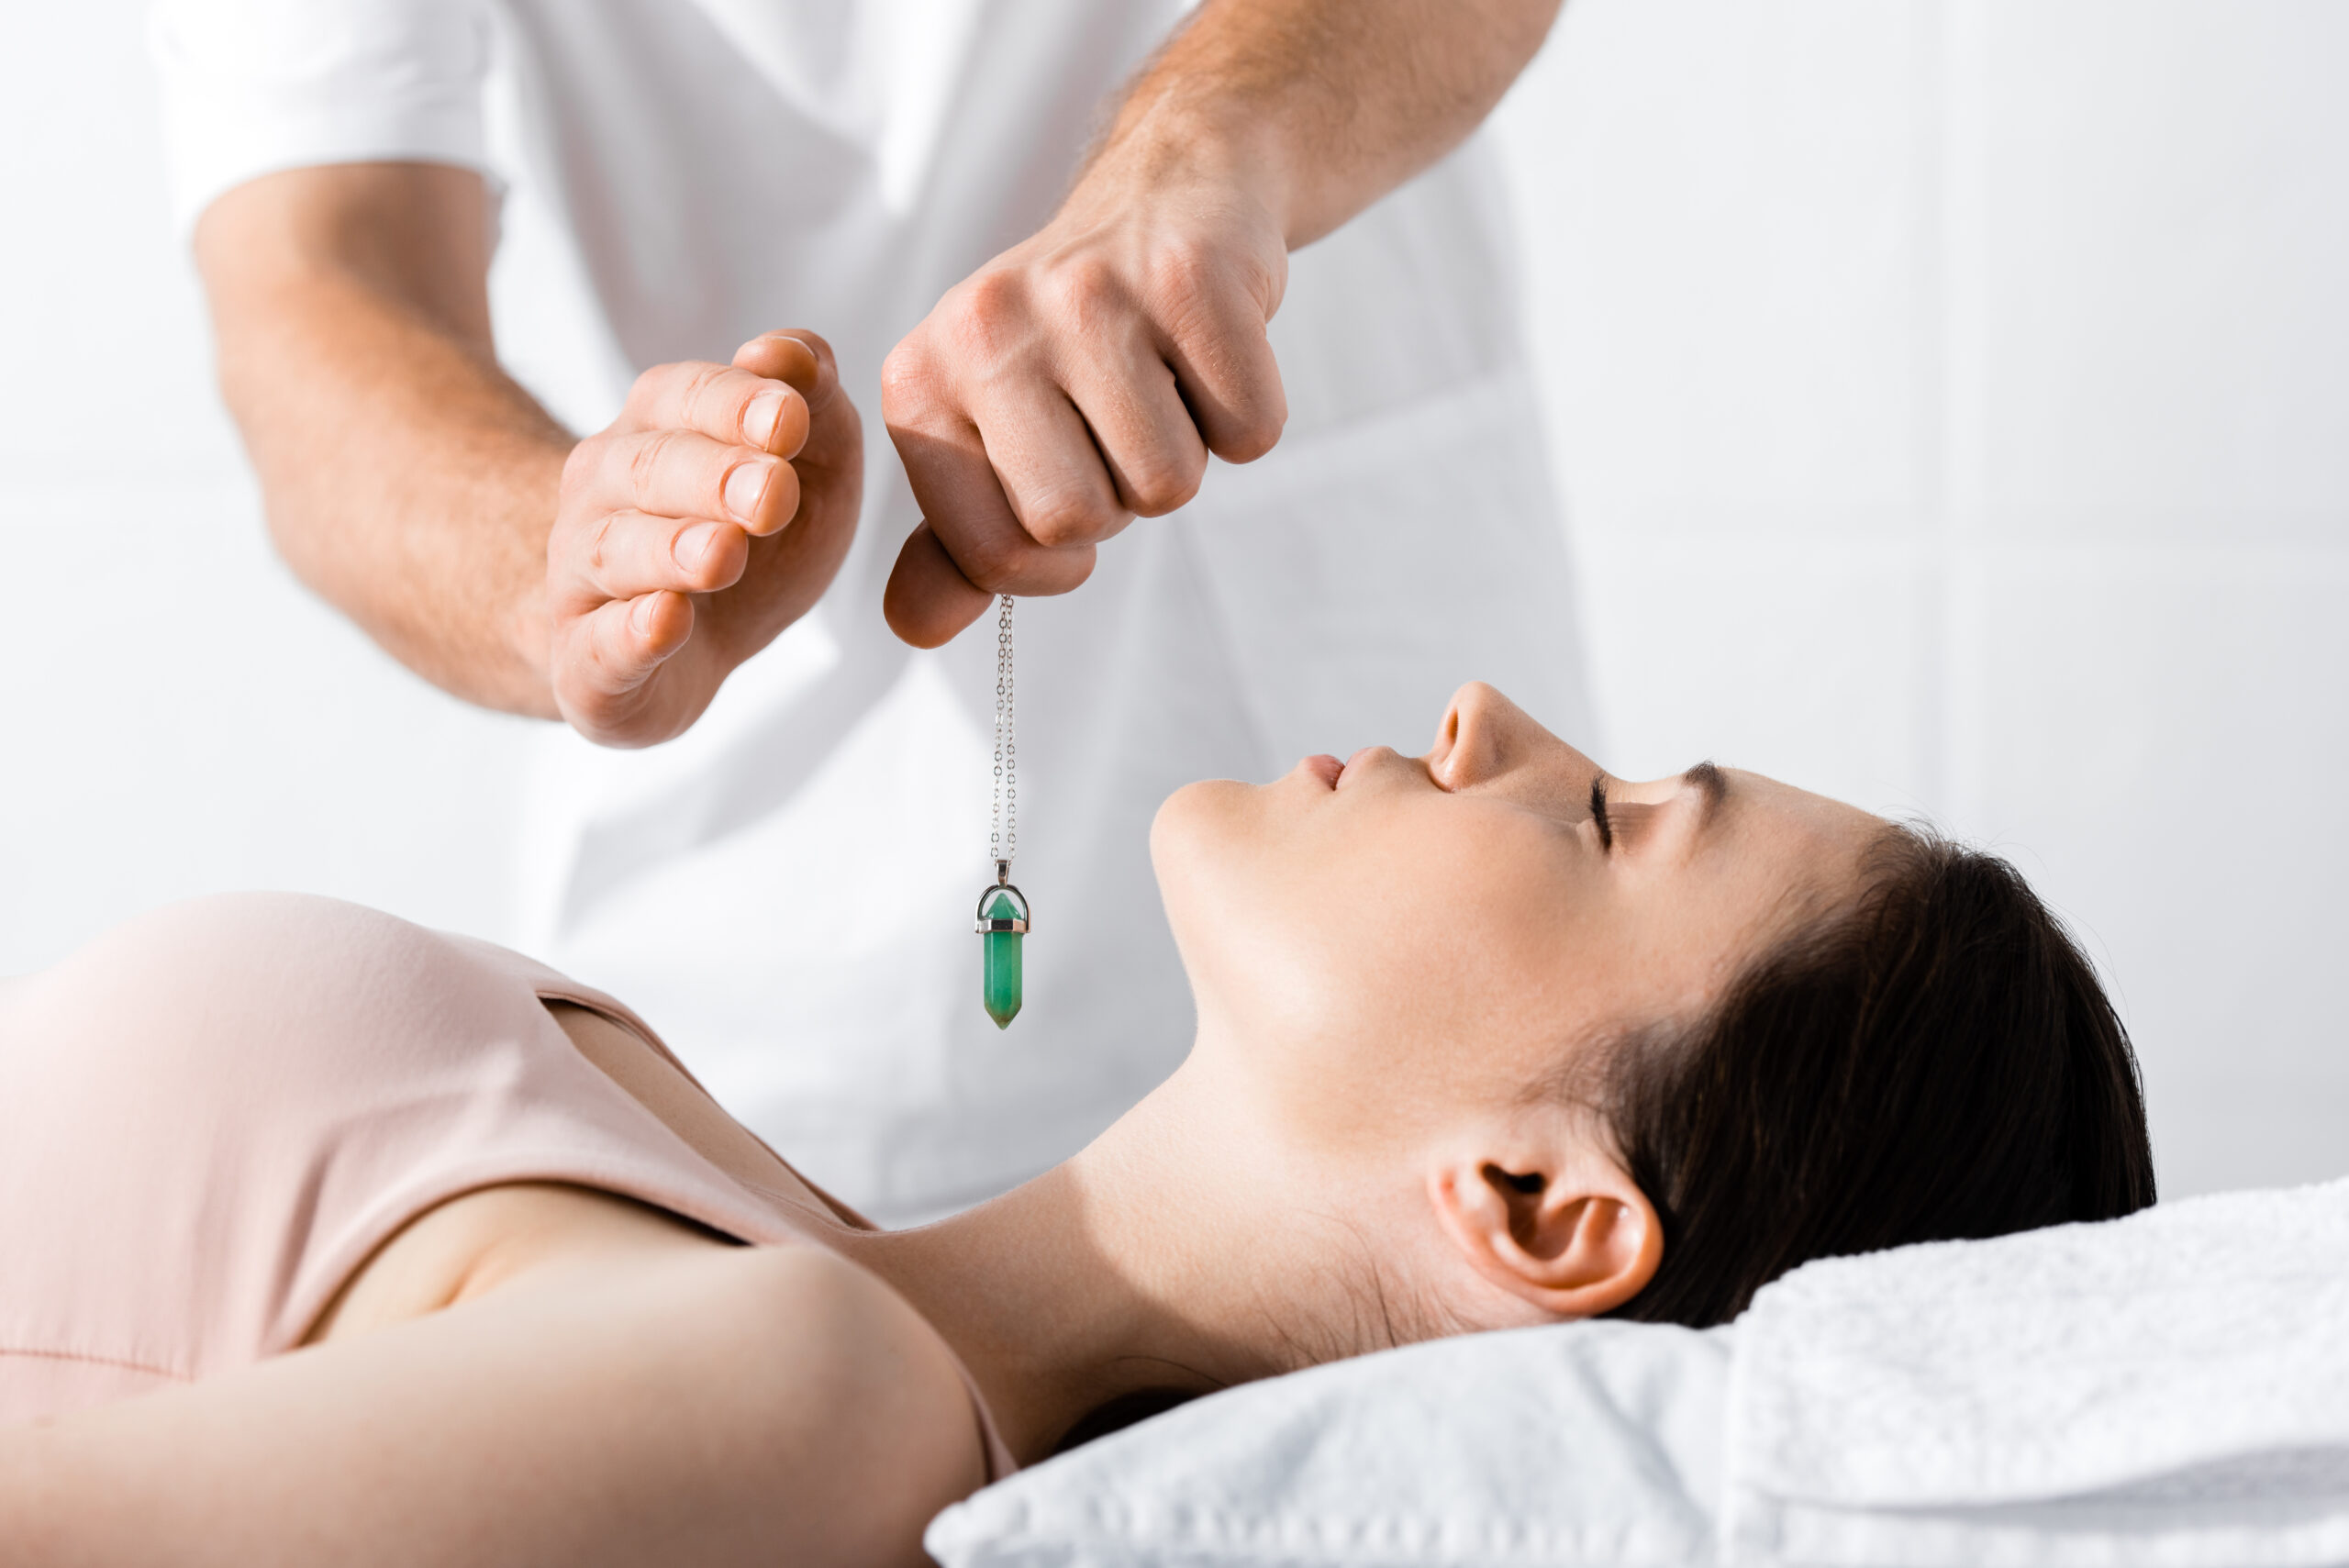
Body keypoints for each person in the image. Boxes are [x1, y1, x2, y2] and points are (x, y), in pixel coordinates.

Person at [0, 684, 2155, 1564]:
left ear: (1533, 1203)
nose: (1490, 721)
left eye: (1601, 821)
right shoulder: (774, 1251)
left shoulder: (810, 1388)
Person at [153, 0, 1592, 1222]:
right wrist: (564, 571)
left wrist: (1205, 152)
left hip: (1447, 1014)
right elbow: (312, 279)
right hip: (771, 1044)